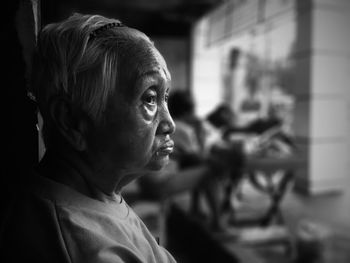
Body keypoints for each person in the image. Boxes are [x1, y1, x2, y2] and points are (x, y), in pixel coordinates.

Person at [0, 13, 177, 263]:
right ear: (71, 120)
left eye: (165, 97)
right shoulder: (86, 249)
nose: (170, 124)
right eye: (149, 98)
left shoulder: (96, 195)